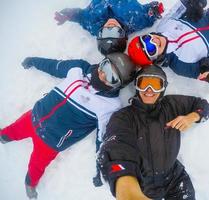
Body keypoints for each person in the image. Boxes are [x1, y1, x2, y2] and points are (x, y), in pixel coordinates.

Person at [0, 53, 136, 199]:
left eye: (112, 77)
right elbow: (55, 67)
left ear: (119, 84)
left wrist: (100, 168)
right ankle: (3, 137)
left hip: (50, 142)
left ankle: (30, 183)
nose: (102, 74)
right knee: (13, 130)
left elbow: (102, 139)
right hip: (34, 116)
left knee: (36, 166)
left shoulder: (109, 106)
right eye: (105, 66)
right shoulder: (79, 69)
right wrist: (34, 61)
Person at [97, 65, 209, 200]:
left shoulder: (171, 105)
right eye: (144, 84)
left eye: (156, 85)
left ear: (163, 88)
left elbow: (203, 105)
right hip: (143, 185)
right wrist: (127, 187)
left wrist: (192, 117)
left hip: (174, 179)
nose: (149, 90)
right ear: (137, 86)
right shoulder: (123, 117)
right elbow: (117, 149)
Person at [54, 0, 164, 54]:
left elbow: (81, 17)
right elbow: (148, 15)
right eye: (116, 33)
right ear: (124, 35)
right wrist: (155, 10)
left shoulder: (93, 25)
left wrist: (69, 15)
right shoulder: (135, 19)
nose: (111, 26)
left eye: (106, 33)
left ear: (100, 34)